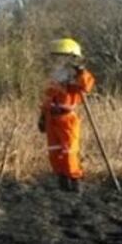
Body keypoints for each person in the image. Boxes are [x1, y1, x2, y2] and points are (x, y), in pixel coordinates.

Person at [39, 38, 96, 193]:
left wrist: (80, 71)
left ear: (73, 58)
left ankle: (75, 182)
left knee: (69, 152)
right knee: (54, 152)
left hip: (67, 119)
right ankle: (62, 182)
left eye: (63, 57)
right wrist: (43, 116)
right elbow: (47, 98)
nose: (60, 60)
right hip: (52, 118)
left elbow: (87, 86)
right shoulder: (55, 77)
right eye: (57, 57)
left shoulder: (77, 75)